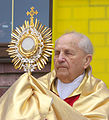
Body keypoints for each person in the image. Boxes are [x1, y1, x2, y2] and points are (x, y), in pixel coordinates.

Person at [0, 32, 109, 120]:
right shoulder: (37, 87)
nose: (60, 59)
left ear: (86, 60)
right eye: (57, 53)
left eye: (68, 53)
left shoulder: (98, 92)